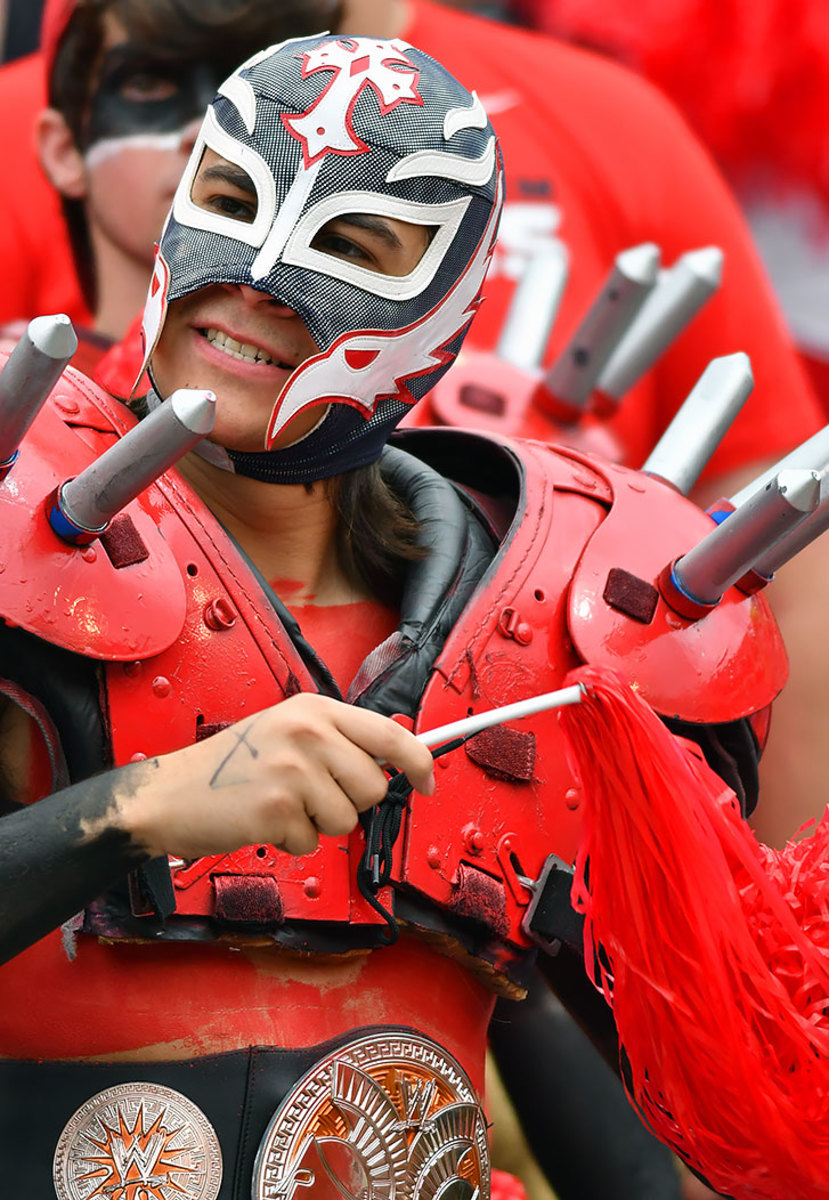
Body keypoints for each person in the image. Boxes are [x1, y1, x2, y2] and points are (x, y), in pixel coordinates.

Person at [0, 33, 795, 1199]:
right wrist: (135, 808)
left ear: (455, 305)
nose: (261, 279)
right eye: (231, 197)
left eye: (355, 246)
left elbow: (592, 1059)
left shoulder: (546, 609)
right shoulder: (19, 517)